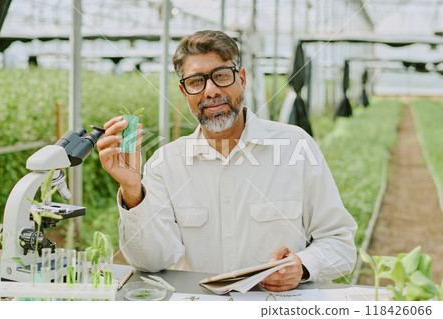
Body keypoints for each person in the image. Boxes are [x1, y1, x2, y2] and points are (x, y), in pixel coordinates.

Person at [97, 30, 357, 292]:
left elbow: (340, 243)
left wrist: (302, 265)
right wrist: (132, 191)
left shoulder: (295, 147)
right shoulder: (166, 164)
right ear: (184, 92)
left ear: (241, 78)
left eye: (221, 76)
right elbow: (151, 262)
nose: (211, 91)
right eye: (196, 81)